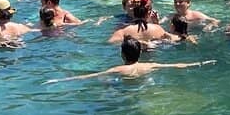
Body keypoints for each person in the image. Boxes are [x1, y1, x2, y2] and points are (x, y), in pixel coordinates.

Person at [49, 35, 214, 81]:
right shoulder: (150, 66)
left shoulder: (118, 69)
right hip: (146, 82)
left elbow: (89, 76)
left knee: (104, 82)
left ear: (122, 54)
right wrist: (200, 63)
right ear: (140, 53)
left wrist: (58, 80)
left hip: (124, 88)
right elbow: (177, 65)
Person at [108, 0, 176, 44]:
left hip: (132, 54)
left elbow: (111, 42)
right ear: (147, 13)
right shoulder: (158, 29)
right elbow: (174, 39)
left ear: (133, 11)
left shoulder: (123, 30)